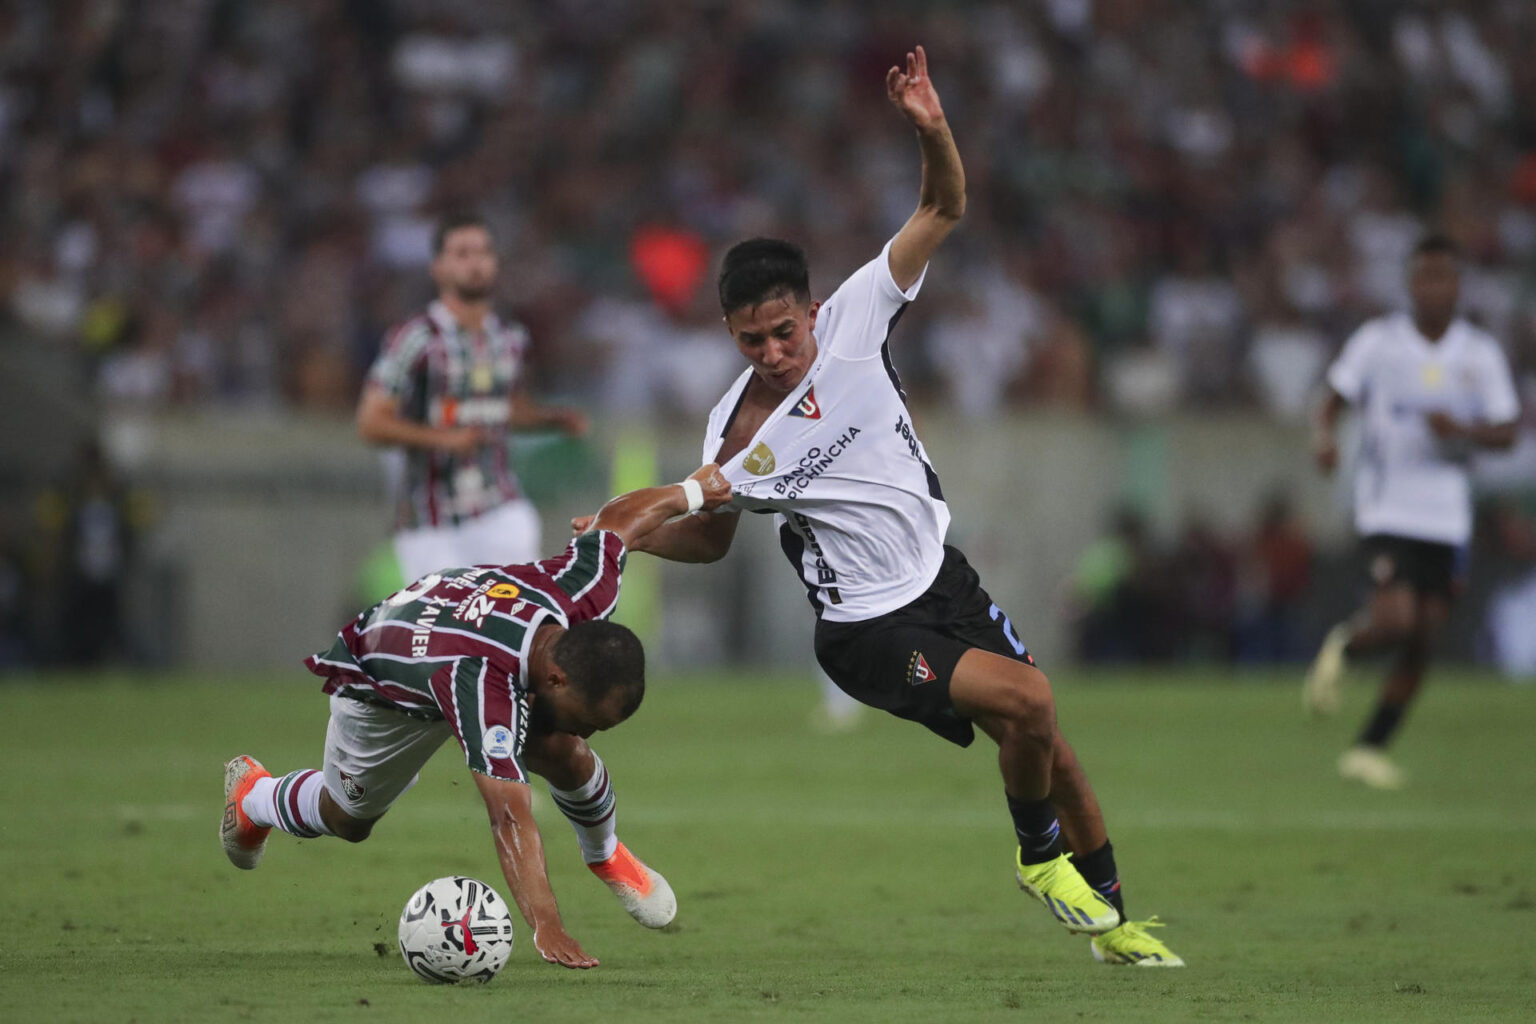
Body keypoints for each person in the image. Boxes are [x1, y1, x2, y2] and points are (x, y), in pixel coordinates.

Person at [579, 46, 1182, 967]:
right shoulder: (734, 427)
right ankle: (1037, 857)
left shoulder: (861, 315)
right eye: (753, 341)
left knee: (1050, 746)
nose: (774, 351)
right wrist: (631, 538)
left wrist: (932, 127)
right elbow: (706, 535)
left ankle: (1116, 928)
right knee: (1030, 698)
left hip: (943, 580)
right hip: (865, 627)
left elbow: (944, 206)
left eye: (785, 330)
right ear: (729, 336)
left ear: (814, 311)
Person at [220, 465, 733, 969]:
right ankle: (254, 798)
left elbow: (620, 519)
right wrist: (546, 923)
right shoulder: (485, 688)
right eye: (590, 717)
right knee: (346, 820)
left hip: (458, 628)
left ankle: (603, 854)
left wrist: (691, 490)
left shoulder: (581, 591)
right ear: (555, 678)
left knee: (563, 749)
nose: (591, 730)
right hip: (382, 692)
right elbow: (509, 815)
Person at [1304, 234, 1520, 788]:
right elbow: (1333, 395)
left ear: (1458, 283)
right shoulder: (1379, 342)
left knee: (1424, 635)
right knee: (1397, 619)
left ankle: (1369, 748)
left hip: (1447, 515)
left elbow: (1508, 429)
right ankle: (1347, 643)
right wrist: (1324, 437)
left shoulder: (1479, 353)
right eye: (1424, 276)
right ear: (1409, 283)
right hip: (1387, 508)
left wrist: (1463, 431)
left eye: (1443, 276)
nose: (1433, 286)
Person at [356, 212, 589, 583]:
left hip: (498, 506)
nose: (475, 263)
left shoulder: (510, 337)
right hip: (430, 520)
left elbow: (503, 408)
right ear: (438, 267)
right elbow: (371, 422)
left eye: (483, 252)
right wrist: (443, 438)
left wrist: (549, 419)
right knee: (447, 631)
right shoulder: (415, 338)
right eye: (462, 253)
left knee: (514, 617)